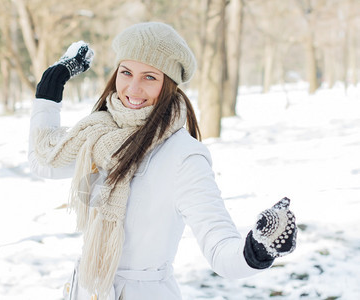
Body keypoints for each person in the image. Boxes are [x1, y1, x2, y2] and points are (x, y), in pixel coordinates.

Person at [28, 22, 297, 300]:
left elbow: (218, 246)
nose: (133, 88)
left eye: (149, 77)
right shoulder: (100, 137)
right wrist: (51, 86)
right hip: (85, 290)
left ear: (168, 84)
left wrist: (257, 251)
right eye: (127, 72)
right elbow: (44, 162)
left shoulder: (183, 156)